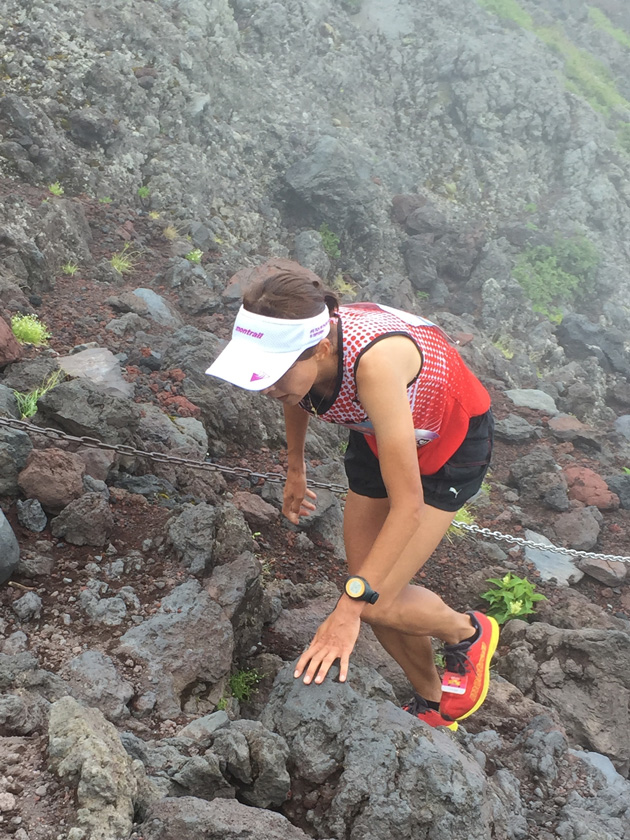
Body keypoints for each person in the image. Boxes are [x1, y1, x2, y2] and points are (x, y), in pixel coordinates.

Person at [206, 265, 499, 729]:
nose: (266, 386)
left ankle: (468, 632)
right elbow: (296, 397)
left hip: (450, 442)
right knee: (366, 584)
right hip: (377, 433)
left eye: (275, 373)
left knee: (371, 598)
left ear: (321, 348)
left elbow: (409, 506)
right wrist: (296, 469)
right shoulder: (307, 360)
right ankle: (432, 702)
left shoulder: (375, 365)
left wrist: (346, 613)